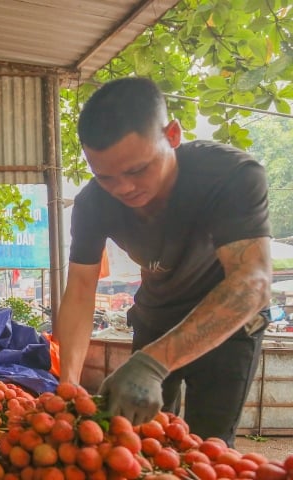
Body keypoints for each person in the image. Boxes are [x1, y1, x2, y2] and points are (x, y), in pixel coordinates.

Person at [55, 77, 271, 447]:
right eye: (105, 177)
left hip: (226, 323)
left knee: (208, 448)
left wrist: (153, 364)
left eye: (137, 170)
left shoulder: (230, 176)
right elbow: (79, 292)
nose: (122, 188)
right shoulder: (92, 204)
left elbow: (252, 282)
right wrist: (67, 383)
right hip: (155, 318)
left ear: (172, 135)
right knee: (137, 443)